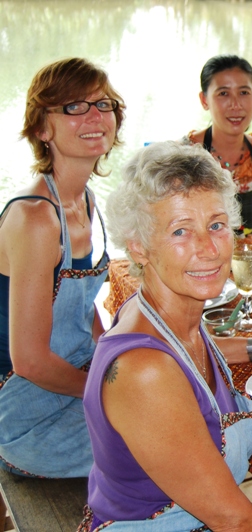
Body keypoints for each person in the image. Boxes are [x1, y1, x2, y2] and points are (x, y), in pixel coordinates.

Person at [80, 142, 252, 530]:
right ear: (138, 247)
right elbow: (237, 520)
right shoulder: (144, 372)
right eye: (181, 231)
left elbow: (187, 355)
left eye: (216, 225)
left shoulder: (157, 310)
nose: (209, 248)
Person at [0, 58, 123, 478]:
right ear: (41, 128)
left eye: (103, 104)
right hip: (22, 414)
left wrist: (115, 358)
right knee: (162, 434)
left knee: (184, 400)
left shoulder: (86, 200)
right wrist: (108, 390)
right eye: (73, 106)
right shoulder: (35, 218)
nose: (94, 116)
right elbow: (29, 362)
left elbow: (78, 307)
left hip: (71, 379)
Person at [183, 54, 252, 231]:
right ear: (204, 100)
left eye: (244, 92)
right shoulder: (183, 157)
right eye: (223, 93)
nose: (235, 104)